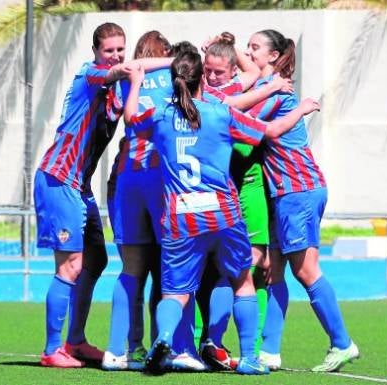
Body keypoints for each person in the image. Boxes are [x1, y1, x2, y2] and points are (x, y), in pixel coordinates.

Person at [123, 50, 318, 375]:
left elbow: (130, 120)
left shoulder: (159, 116)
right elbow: (270, 131)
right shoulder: (220, 114)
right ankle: (249, 358)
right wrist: (302, 109)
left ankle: (166, 337)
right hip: (223, 213)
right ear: (202, 79)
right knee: (242, 281)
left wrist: (135, 83)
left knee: (175, 293)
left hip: (180, 216)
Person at [34, 22, 171, 368]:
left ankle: (76, 341)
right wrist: (171, 61)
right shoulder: (90, 75)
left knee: (96, 261)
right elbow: (126, 70)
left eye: (120, 49)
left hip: (80, 186)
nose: (116, 55)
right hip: (59, 178)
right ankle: (52, 350)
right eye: (109, 50)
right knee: (72, 265)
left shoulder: (118, 87)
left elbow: (133, 74)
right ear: (96, 52)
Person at [244, 29, 359, 372]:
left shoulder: (276, 92)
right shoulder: (265, 88)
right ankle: (269, 351)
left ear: (274, 56)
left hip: (298, 190)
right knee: (273, 271)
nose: (247, 53)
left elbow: (253, 125)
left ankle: (342, 342)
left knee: (306, 271)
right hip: (283, 193)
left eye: (254, 48)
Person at [197, 32, 294, 371]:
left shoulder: (245, 87)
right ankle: (212, 340)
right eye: (207, 70)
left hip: (251, 187)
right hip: (224, 191)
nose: (211, 76)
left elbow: (248, 74)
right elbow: (256, 128)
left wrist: (228, 46)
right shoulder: (214, 95)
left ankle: (261, 348)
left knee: (260, 266)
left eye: (255, 48)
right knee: (229, 270)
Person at [102, 30, 172, 371]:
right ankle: (168, 346)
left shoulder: (126, 77)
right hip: (160, 178)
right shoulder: (176, 77)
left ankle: (120, 349)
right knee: (166, 271)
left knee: (130, 270)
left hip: (127, 177)